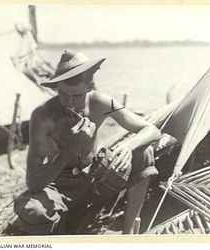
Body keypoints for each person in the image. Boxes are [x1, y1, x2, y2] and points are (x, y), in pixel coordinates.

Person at [13, 50, 161, 235]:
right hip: (60, 184)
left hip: (98, 177)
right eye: (63, 94)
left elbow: (152, 130)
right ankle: (65, 227)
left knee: (144, 152)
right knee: (34, 212)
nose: (68, 102)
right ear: (57, 87)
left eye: (76, 96)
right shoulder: (43, 115)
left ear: (90, 86)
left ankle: (129, 229)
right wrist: (72, 146)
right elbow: (34, 183)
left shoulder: (101, 102)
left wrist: (128, 145)